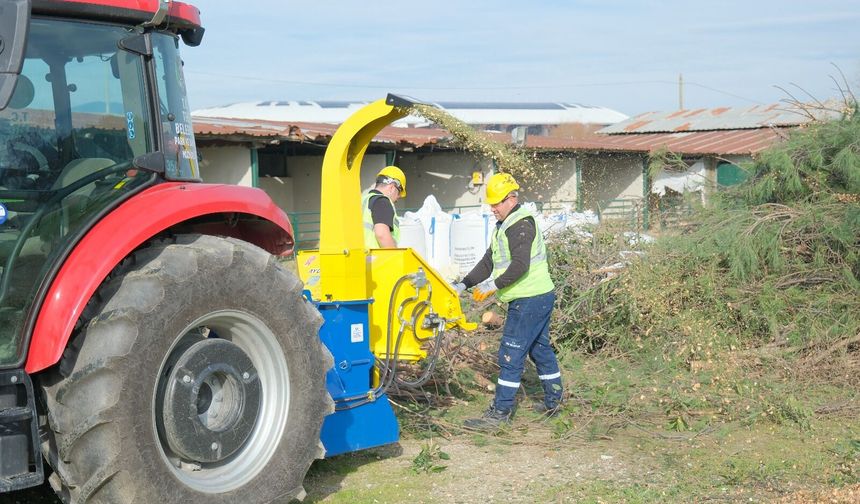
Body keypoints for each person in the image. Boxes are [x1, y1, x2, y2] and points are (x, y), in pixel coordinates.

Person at [452, 173, 562, 430]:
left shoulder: (521, 224)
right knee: (540, 350)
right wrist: (463, 284)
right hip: (536, 295)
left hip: (529, 298)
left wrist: (492, 286)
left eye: (497, 203)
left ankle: (499, 414)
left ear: (512, 198)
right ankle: (554, 402)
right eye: (491, 204)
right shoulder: (505, 225)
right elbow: (488, 262)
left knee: (511, 355)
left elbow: (520, 266)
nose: (493, 208)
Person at [362, 165, 406, 248]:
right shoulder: (382, 201)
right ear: (392, 187)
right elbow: (382, 234)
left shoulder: (362, 200)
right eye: (399, 192)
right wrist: (395, 257)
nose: (398, 197)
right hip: (373, 259)